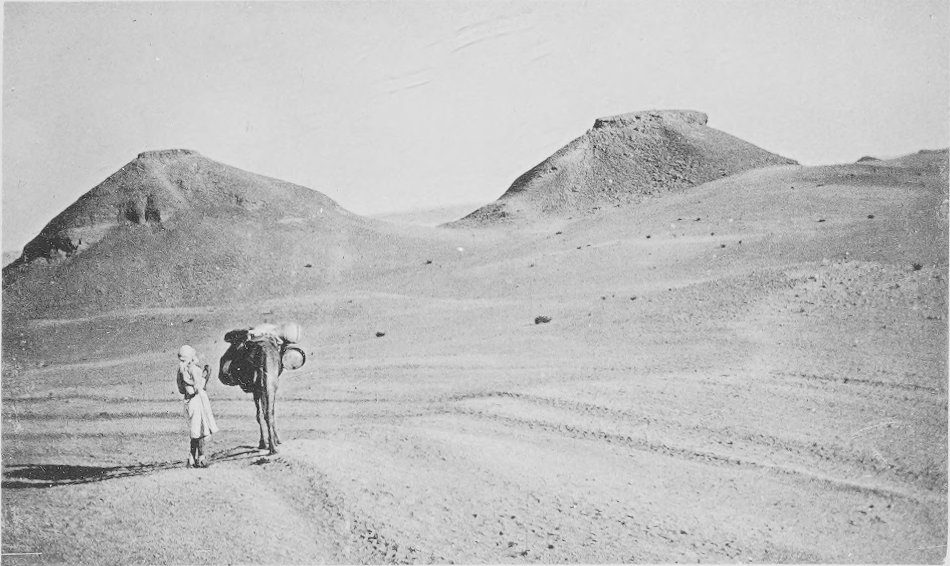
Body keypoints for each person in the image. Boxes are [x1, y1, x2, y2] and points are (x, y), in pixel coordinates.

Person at [176, 345, 219, 468]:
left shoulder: (181, 371)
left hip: (189, 402)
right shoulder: (193, 369)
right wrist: (205, 376)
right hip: (196, 401)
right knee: (199, 431)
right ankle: (200, 457)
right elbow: (196, 388)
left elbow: (182, 389)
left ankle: (192, 458)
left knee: (195, 431)